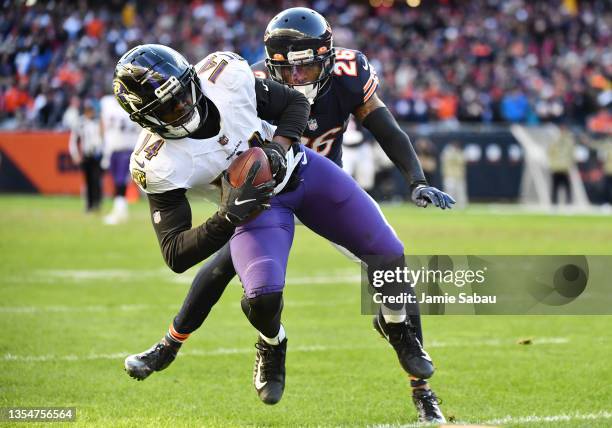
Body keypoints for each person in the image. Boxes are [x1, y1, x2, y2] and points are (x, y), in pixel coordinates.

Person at [122, 9, 453, 423]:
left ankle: (416, 374)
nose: (184, 107)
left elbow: (351, 118)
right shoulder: (159, 160)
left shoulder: (231, 79)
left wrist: (278, 151)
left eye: (185, 93)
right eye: (168, 109)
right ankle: (258, 342)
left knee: (389, 259)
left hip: (309, 174)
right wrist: (228, 216)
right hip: (257, 204)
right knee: (252, 289)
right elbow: (175, 253)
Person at [100, 94, 142, 225]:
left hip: (127, 147)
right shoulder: (108, 103)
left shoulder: (133, 103)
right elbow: (103, 125)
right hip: (115, 148)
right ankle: (120, 210)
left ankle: (120, 212)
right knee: (117, 181)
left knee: (120, 181)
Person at [68, 101, 104, 212]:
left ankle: (97, 204)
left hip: (97, 155)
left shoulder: (98, 122)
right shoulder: (80, 123)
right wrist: (75, 155)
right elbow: (73, 140)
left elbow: (103, 138)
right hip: (86, 155)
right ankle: (89, 205)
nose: (90, 112)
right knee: (88, 181)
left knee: (97, 180)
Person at [548, 125, 575, 205]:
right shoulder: (554, 140)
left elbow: (571, 154)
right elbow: (550, 152)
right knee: (555, 187)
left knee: (567, 187)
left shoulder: (569, 141)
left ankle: (568, 203)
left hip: (564, 168)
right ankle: (554, 203)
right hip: (556, 168)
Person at [441, 142, 468, 208]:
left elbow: (462, 161)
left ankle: (462, 205)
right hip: (449, 175)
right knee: (449, 191)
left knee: (460, 191)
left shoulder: (460, 153)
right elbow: (445, 161)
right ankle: (448, 205)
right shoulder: (447, 153)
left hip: (459, 175)